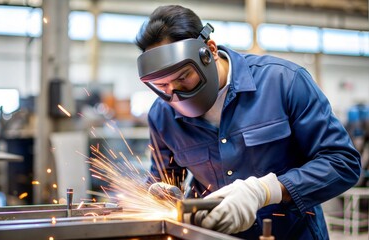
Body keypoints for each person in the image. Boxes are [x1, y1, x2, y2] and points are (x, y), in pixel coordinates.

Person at [134, 5, 361, 240]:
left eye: (183, 77)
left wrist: (265, 191)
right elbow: (166, 178)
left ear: (209, 50)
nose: (175, 93)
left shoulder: (284, 82)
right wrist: (158, 191)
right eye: (162, 86)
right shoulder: (161, 115)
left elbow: (342, 163)